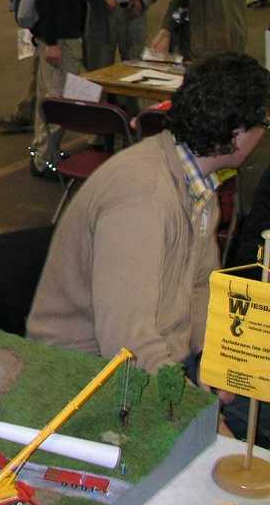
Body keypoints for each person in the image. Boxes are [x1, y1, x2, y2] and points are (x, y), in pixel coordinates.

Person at [27, 52, 270, 445]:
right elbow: (126, 343)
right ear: (238, 133)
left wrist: (213, 355)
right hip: (90, 376)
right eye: (264, 125)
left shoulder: (197, 180)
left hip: (161, 358)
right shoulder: (143, 199)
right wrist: (198, 417)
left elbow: (200, 286)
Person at [28, 0, 90, 178]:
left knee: (51, 97)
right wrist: (52, 42)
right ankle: (45, 161)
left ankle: (44, 153)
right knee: (57, 100)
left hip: (61, 35)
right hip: (59, 38)